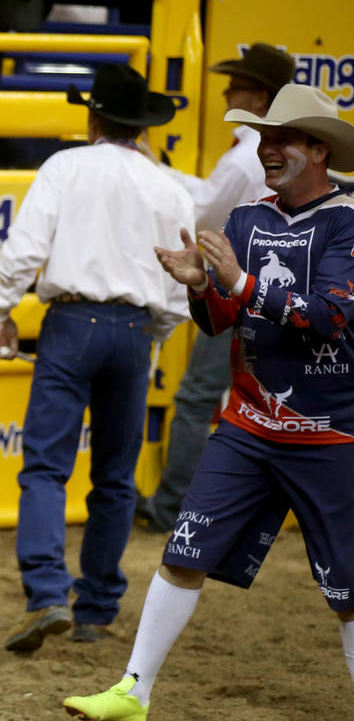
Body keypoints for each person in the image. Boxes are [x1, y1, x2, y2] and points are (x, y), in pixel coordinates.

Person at [62, 83, 354, 721]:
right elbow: (222, 321)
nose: (266, 150)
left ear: (318, 149)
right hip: (250, 423)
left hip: (332, 432)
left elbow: (333, 318)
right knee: (183, 548)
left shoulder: (347, 221)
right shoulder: (251, 218)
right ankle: (134, 690)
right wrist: (201, 286)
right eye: (261, 138)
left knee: (350, 589)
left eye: (281, 138)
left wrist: (241, 283)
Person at [0, 64, 194, 651]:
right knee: (114, 476)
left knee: (47, 466)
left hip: (73, 322)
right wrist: (152, 338)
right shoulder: (169, 186)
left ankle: (48, 592)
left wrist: (3, 312)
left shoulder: (65, 167)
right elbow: (180, 287)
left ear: (93, 117)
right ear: (141, 125)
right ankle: (97, 609)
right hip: (134, 329)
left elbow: (24, 248)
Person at [135, 43, 296, 533]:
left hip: (236, 289)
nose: (227, 93)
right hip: (270, 291)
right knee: (264, 403)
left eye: (237, 87)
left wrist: (151, 168)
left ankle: (173, 509)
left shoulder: (248, 154)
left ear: (261, 97)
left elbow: (203, 209)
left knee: (197, 397)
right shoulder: (271, 149)